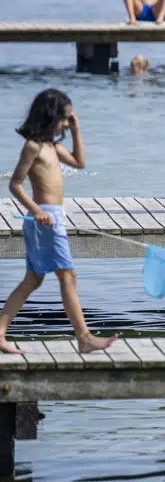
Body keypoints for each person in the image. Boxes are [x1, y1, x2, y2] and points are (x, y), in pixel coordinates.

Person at [1, 89, 115, 354]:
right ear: (50, 116)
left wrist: (77, 131)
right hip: (43, 219)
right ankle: (84, 337)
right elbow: (15, 184)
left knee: (34, 279)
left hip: (52, 218)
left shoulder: (53, 147)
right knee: (68, 275)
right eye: (64, 118)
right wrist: (35, 210)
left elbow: (80, 163)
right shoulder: (33, 147)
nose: (66, 122)